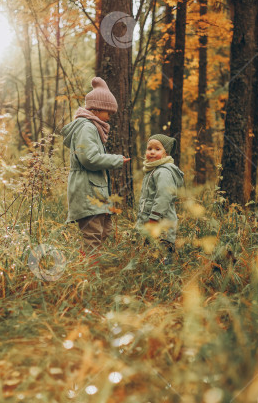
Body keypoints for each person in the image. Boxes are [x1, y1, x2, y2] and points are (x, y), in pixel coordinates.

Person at [60, 77, 130, 256]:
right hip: (87, 192)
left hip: (95, 194)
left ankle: (92, 269)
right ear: (97, 109)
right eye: (108, 113)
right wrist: (115, 160)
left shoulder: (93, 127)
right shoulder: (87, 128)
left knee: (104, 232)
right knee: (93, 237)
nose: (109, 118)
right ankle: (89, 275)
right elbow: (89, 159)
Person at [136, 134, 185, 264]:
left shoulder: (163, 172)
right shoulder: (153, 170)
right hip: (151, 223)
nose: (152, 152)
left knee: (162, 260)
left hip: (161, 224)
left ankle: (167, 280)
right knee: (151, 258)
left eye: (157, 149)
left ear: (166, 153)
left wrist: (154, 217)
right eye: (149, 148)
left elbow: (164, 196)